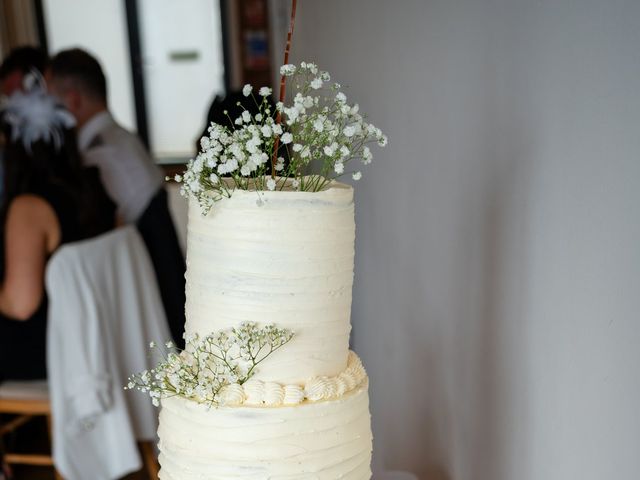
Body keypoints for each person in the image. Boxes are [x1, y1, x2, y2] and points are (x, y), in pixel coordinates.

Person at [48, 48, 186, 346]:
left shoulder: (102, 156)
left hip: (149, 301)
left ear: (72, 100)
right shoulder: (121, 138)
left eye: (50, 101)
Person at [0, 74, 117, 381]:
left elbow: (20, 305)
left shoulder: (29, 208)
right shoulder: (92, 188)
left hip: (47, 350)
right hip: (90, 338)